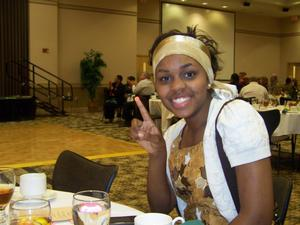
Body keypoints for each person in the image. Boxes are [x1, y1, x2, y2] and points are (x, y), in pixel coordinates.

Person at [130, 27, 273, 225]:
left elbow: (258, 218)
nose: (177, 86)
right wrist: (157, 155)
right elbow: (161, 207)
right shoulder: (174, 134)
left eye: (189, 74)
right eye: (165, 78)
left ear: (208, 77)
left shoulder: (235, 119)